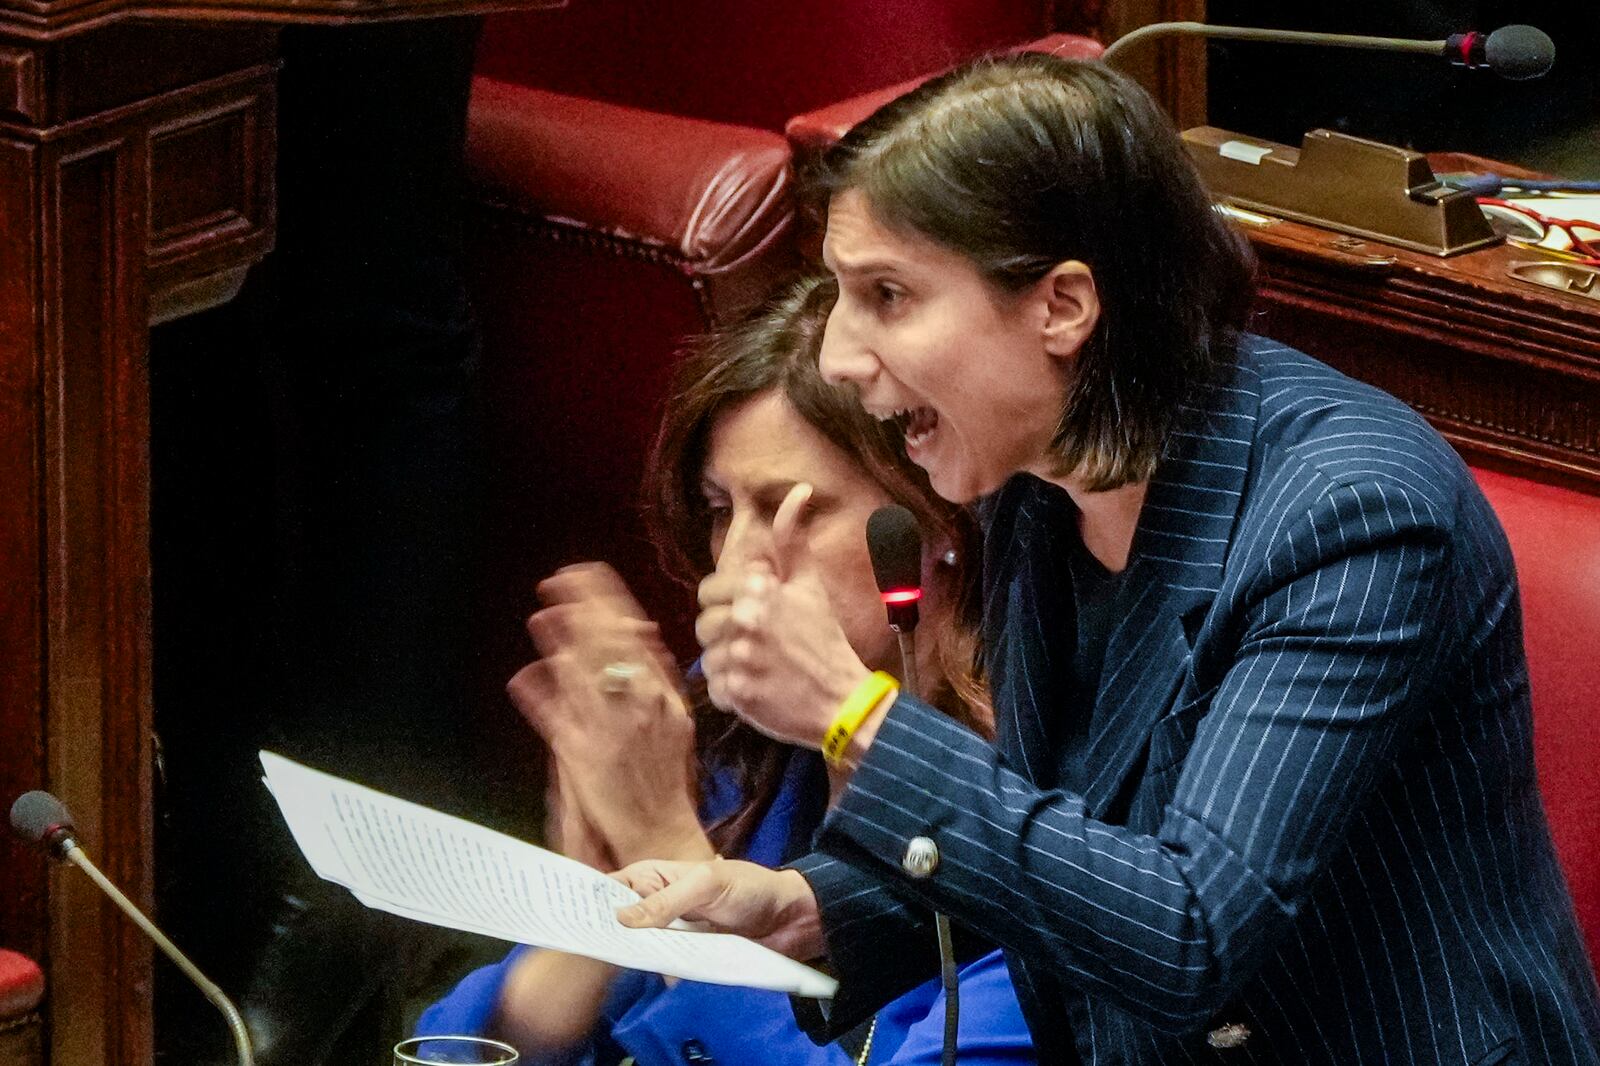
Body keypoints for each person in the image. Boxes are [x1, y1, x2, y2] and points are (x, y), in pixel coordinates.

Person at [612, 54, 1600, 1064]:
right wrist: (806, 909)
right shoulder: (1039, 484)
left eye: (888, 295)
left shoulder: (1353, 514)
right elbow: (1068, 840)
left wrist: (854, 712)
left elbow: (1187, 930)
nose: (836, 357)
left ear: (1062, 306)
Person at [416, 275, 1035, 1065]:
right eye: (720, 510)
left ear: (942, 519)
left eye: (796, 509)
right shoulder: (735, 709)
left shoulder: (1041, 799)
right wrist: (591, 917)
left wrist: (665, 846)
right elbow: (447, 1047)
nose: (738, 563)